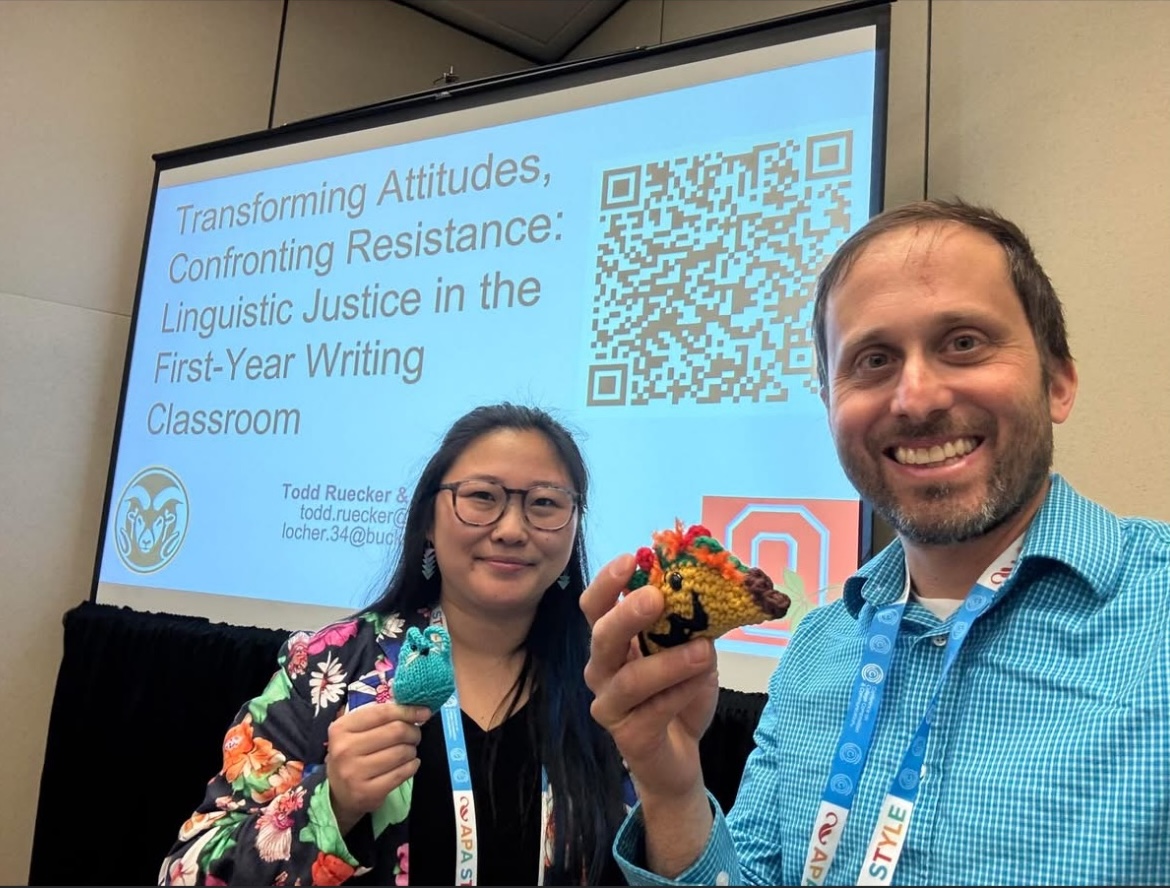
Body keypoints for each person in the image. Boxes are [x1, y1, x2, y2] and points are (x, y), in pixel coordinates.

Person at [582, 199, 1170, 886]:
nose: (915, 398)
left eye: (964, 343)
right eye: (874, 359)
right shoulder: (819, 650)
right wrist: (671, 789)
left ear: (1059, 380)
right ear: (831, 403)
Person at [160, 403, 632, 886]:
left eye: (545, 503)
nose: (511, 529)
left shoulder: (609, 680)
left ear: (574, 528)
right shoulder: (326, 666)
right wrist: (331, 802)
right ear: (428, 520)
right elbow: (185, 872)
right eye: (482, 497)